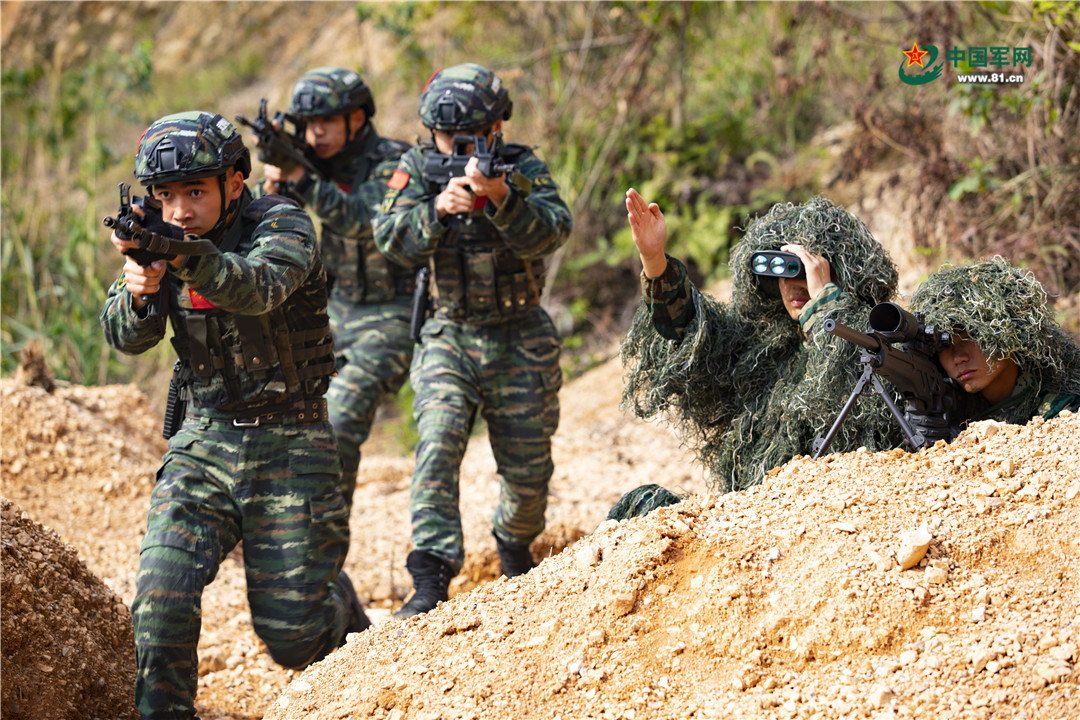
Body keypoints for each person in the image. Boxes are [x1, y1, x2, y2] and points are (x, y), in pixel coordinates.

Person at [100, 111, 369, 719]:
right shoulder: (160, 240)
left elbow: (256, 287)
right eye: (165, 196)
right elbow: (123, 337)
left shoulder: (282, 222)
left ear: (236, 183)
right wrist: (142, 288)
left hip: (292, 441)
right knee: (161, 598)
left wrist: (181, 256)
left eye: (195, 192)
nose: (180, 210)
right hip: (205, 438)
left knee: (295, 639)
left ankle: (343, 612)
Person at [374, 63, 573, 617]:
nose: (459, 147)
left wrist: (504, 199)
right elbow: (388, 237)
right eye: (447, 138)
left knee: (529, 469)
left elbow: (555, 230)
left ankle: (514, 547)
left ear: (496, 129)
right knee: (436, 444)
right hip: (451, 332)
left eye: (473, 136)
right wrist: (436, 210)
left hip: (520, 334)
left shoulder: (523, 166)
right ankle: (432, 576)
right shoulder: (415, 169)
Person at [611, 190, 902, 519]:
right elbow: (696, 336)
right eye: (782, 271)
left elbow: (846, 404)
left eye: (804, 270)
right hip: (749, 521)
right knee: (639, 506)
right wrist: (654, 260)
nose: (793, 284)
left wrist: (827, 310)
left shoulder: (878, 347)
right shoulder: (765, 351)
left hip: (825, 518)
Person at [258, 67, 414, 512]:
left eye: (326, 121)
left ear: (358, 118)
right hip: (332, 310)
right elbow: (261, 220)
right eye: (307, 124)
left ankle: (325, 543)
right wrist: (274, 188)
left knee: (338, 422)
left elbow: (365, 219)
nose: (315, 133)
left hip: (393, 313)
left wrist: (302, 178)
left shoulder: (394, 161)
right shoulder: (313, 162)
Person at [908, 256, 1080, 431]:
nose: (959, 357)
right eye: (944, 344)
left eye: (972, 335)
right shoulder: (950, 408)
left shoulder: (1063, 408)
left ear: (1009, 332)